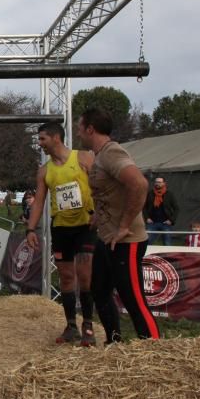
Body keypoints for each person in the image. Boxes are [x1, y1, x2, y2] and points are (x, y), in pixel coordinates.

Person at [77, 107, 160, 343]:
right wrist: (98, 217)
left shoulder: (112, 152)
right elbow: (109, 192)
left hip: (126, 240)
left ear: (90, 129)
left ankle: (156, 352)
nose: (79, 132)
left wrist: (124, 225)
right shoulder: (100, 156)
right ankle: (114, 342)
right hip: (107, 238)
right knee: (100, 291)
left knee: (133, 297)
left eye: (80, 127)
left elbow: (139, 184)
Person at [25, 121, 97, 347]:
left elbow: (101, 186)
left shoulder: (84, 158)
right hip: (61, 228)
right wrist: (30, 228)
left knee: (84, 275)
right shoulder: (44, 171)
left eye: (43, 139)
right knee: (66, 277)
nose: (40, 144)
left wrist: (100, 212)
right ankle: (70, 326)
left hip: (85, 226)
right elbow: (38, 202)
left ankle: (88, 325)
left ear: (56, 137)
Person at [143, 176, 178, 246]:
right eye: (156, 182)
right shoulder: (150, 194)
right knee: (148, 242)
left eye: (159, 182)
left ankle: (167, 256)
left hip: (165, 223)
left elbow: (176, 208)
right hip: (152, 222)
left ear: (164, 183)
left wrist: (171, 220)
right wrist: (147, 218)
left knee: (167, 243)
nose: (157, 183)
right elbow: (144, 207)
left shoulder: (169, 194)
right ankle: (148, 256)